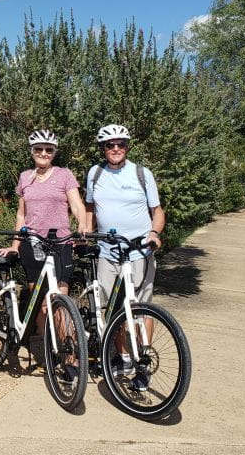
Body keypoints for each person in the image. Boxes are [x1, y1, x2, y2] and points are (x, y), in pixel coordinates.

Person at [0, 130, 88, 376]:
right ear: (32, 152)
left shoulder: (64, 175)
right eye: (39, 149)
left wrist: (82, 225)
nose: (44, 153)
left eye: (48, 149)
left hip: (59, 243)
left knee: (59, 300)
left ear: (54, 152)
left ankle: (70, 359)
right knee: (37, 300)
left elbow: (77, 204)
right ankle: (42, 349)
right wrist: (16, 245)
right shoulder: (25, 177)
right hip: (32, 244)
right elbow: (21, 215)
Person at [85, 124, 165, 392]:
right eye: (110, 145)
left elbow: (157, 211)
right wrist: (85, 232)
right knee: (114, 309)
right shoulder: (95, 174)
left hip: (139, 251)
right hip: (108, 254)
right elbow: (90, 209)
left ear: (127, 146)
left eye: (120, 144)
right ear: (103, 148)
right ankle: (124, 358)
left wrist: (153, 233)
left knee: (142, 308)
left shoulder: (142, 174)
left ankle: (143, 363)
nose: (115, 148)